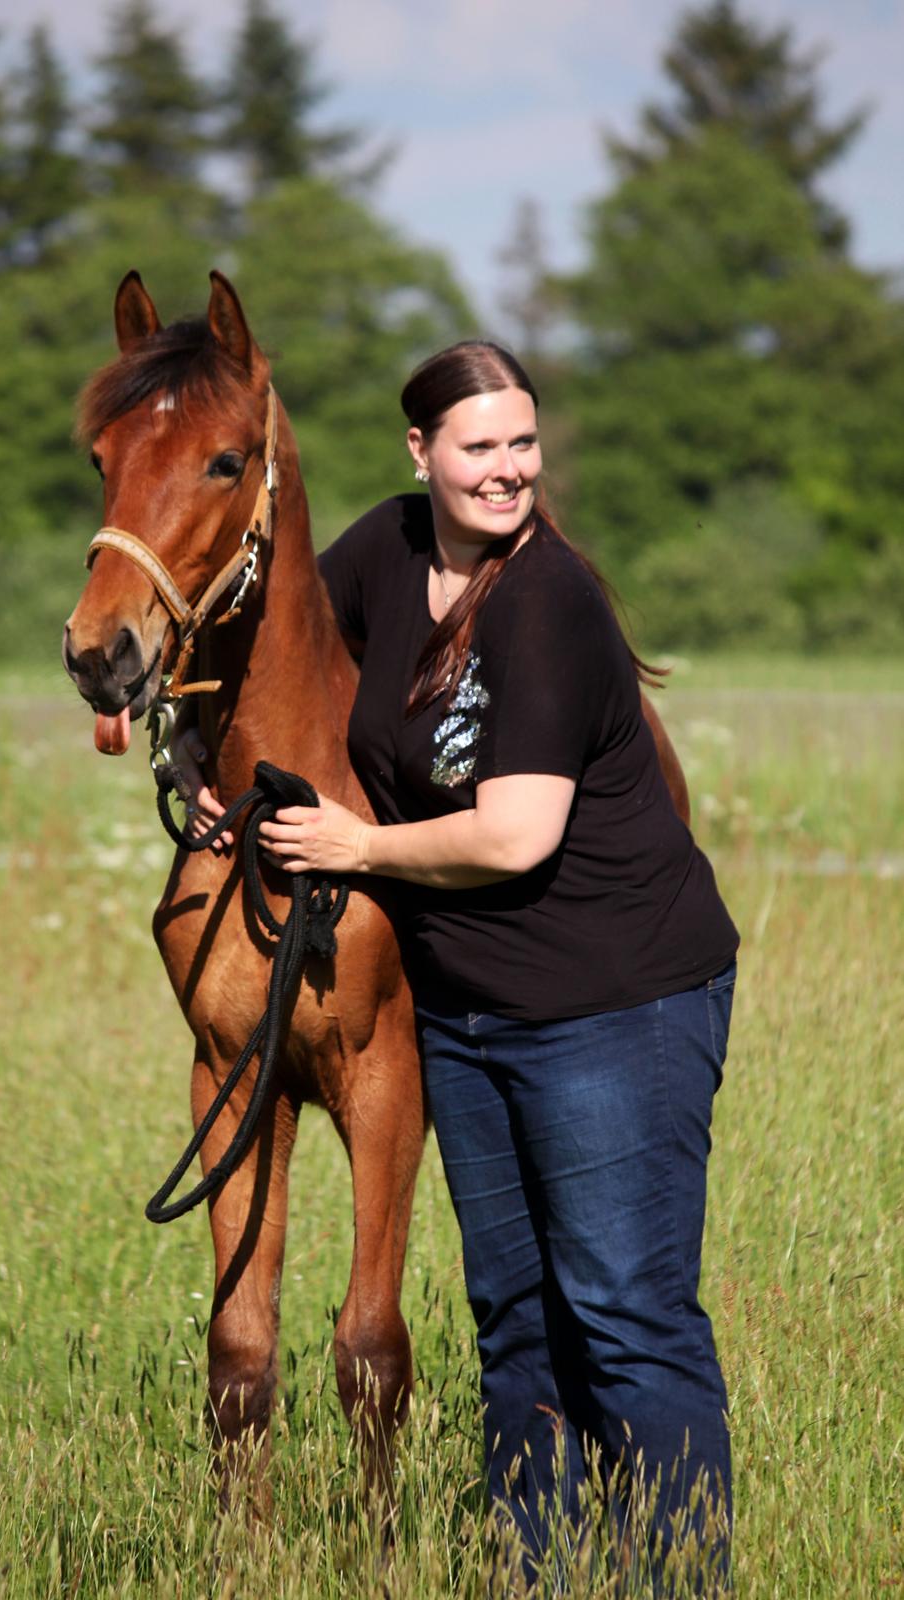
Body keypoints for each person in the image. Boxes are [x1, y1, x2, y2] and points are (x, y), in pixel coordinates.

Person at [188, 341, 739, 1589]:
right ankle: (535, 1571)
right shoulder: (384, 554)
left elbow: (516, 831)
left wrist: (355, 841)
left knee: (624, 1317)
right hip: (471, 1014)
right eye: (478, 446)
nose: (505, 471)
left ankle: (672, 1577)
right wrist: (230, 789)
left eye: (522, 445)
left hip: (616, 1000)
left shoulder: (545, 601)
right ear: (420, 455)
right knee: (514, 1322)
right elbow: (280, 671)